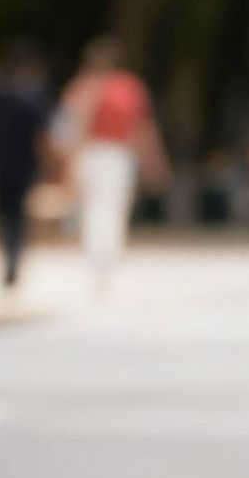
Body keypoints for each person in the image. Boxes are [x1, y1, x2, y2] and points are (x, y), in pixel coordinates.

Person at [55, 37, 167, 297]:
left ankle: (96, 259)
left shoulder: (82, 88)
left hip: (92, 153)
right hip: (114, 154)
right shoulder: (128, 88)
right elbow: (143, 129)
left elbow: (70, 129)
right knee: (110, 209)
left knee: (93, 209)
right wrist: (154, 160)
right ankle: (104, 260)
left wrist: (68, 161)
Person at [0, 43, 51, 287]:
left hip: (0, 165)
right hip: (23, 166)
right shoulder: (32, 99)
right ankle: (12, 258)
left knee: (2, 215)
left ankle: (8, 255)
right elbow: (41, 137)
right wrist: (48, 164)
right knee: (17, 216)